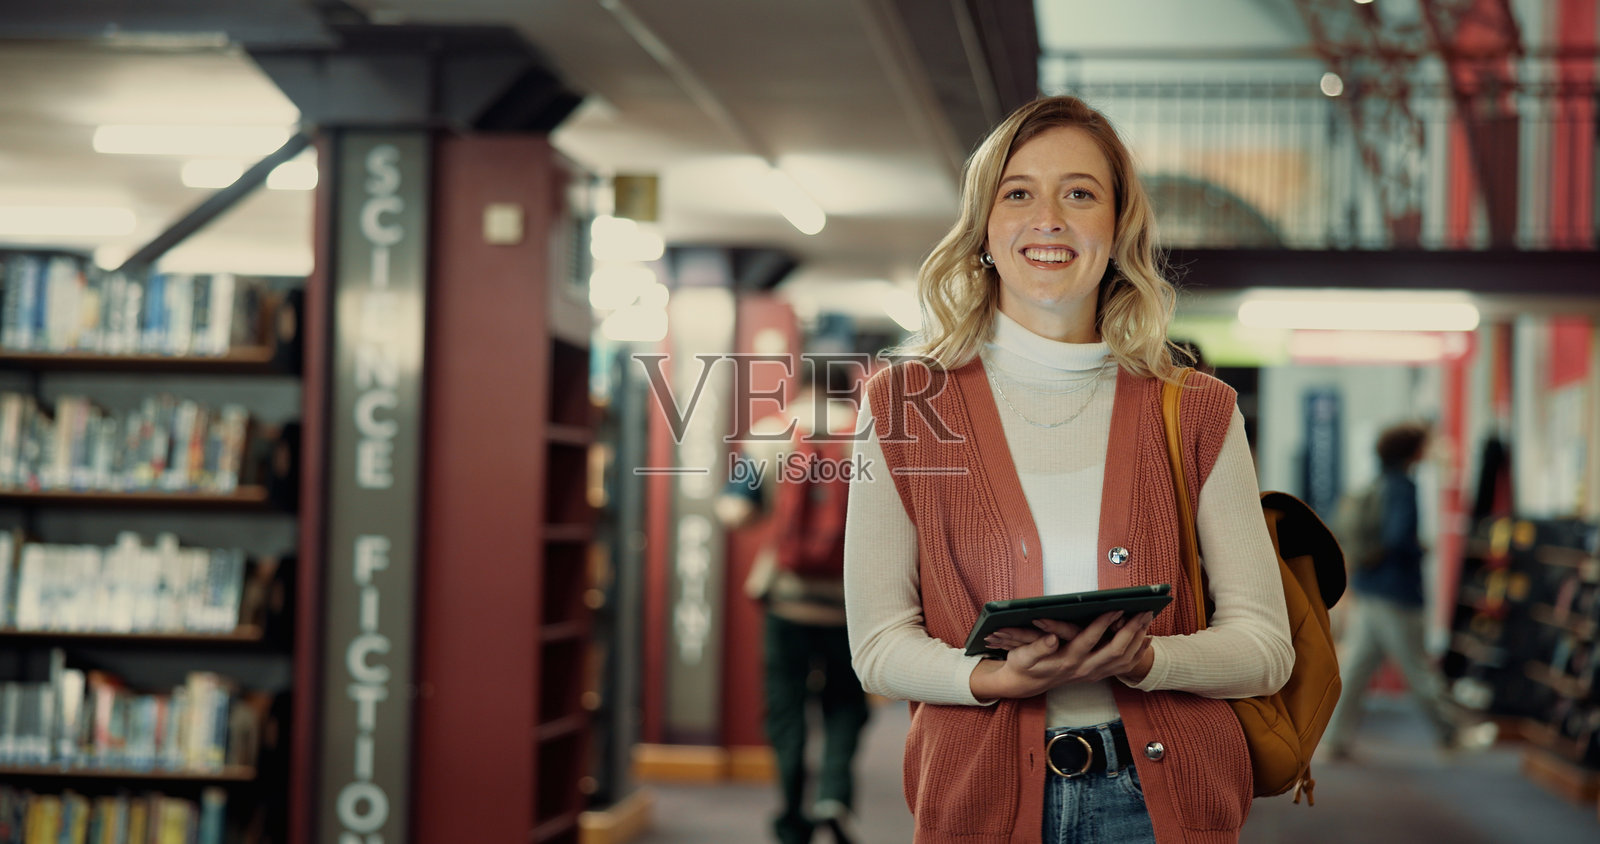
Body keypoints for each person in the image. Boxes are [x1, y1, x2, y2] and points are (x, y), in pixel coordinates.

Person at [843, 95, 1293, 844]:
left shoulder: (1199, 411)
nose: (1047, 217)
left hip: (1163, 801)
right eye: (1018, 193)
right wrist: (990, 679)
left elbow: (1265, 649)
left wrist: (1150, 660)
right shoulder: (902, 406)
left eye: (1079, 193)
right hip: (980, 802)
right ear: (984, 228)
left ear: (1117, 231)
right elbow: (878, 649)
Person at [716, 359, 870, 844]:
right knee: (845, 703)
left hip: (786, 599)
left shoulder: (769, 433)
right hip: (850, 604)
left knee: (786, 707)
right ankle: (833, 795)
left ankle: (791, 814)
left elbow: (735, 509)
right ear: (847, 390)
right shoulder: (870, 435)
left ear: (799, 384)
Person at [1321, 422, 1495, 759]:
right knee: (1419, 671)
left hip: (1370, 589)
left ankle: (1333, 740)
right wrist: (1421, 548)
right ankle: (1452, 734)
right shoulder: (1404, 486)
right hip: (1397, 593)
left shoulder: (1377, 483)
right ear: (1412, 451)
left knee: (1355, 672)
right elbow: (1398, 539)